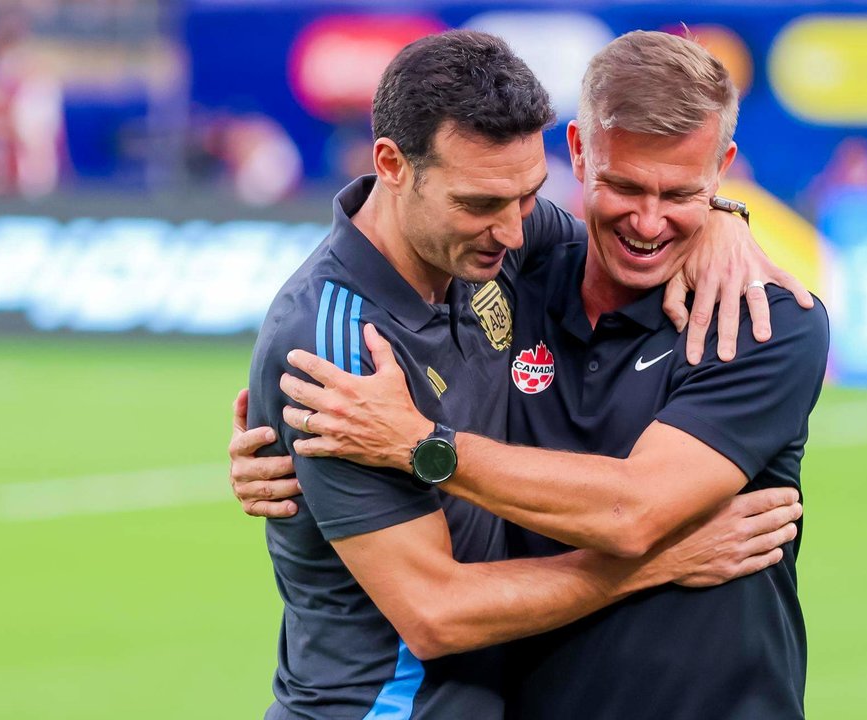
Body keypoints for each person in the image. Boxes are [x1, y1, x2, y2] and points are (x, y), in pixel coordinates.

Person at [236, 31, 829, 719]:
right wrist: (663, 561)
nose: (513, 229)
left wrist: (723, 217)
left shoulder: (751, 317)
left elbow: (631, 509)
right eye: (624, 186)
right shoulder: (341, 343)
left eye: (525, 198)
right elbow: (435, 612)